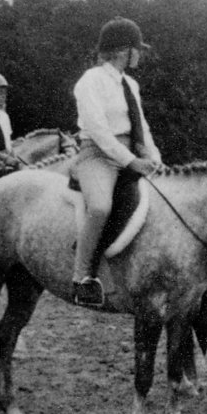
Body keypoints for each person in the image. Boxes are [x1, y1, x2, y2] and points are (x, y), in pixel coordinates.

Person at [71, 17, 162, 306]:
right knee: (100, 207)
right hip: (97, 154)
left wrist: (153, 155)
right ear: (124, 50)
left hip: (130, 153)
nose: (140, 54)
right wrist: (131, 161)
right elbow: (98, 130)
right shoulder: (90, 81)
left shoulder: (130, 84)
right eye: (138, 49)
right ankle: (81, 278)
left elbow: (142, 126)